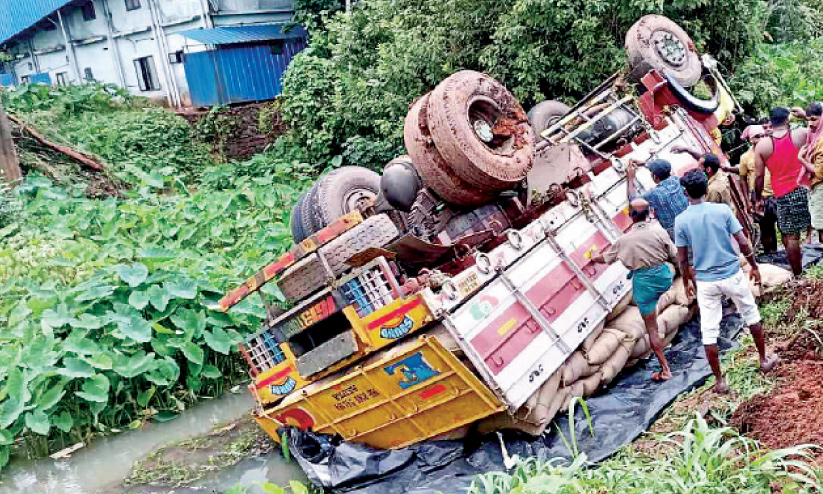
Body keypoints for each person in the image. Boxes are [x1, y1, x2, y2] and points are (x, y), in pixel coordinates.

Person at [675, 170, 777, 394]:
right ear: (706, 189)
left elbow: (682, 259)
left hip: (705, 281)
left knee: (709, 330)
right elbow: (743, 242)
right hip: (732, 274)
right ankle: (763, 359)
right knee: (751, 314)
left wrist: (686, 282)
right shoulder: (722, 211)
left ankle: (720, 382)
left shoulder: (681, 221)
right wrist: (754, 266)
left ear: (685, 193)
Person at [591, 198, 676, 381]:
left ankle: (665, 370)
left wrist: (594, 256)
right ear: (649, 213)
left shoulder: (624, 241)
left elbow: (605, 259)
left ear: (630, 215)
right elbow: (674, 254)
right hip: (664, 276)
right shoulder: (659, 231)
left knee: (651, 329)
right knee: (660, 304)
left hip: (644, 283)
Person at [754, 107, 811, 276]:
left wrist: (758, 198)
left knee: (791, 237)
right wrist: (805, 116)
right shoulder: (800, 134)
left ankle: (798, 275)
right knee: (819, 226)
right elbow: (819, 130)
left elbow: (759, 177)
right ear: (787, 119)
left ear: (770, 122)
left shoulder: (763, 146)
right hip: (806, 188)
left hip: (783, 194)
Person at [725, 125, 778, 253]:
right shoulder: (745, 157)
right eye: (757, 137)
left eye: (763, 136)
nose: (761, 139)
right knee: (766, 227)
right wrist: (747, 200)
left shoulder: (772, 151)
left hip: (777, 193)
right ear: (750, 140)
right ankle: (770, 253)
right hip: (760, 197)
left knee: (783, 226)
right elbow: (742, 178)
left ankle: (781, 252)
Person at [627, 158, 689, 240]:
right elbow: (662, 169)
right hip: (689, 220)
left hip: (676, 231)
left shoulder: (654, 194)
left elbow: (633, 200)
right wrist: (644, 164)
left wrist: (630, 178)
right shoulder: (676, 180)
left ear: (656, 178)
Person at [797, 102, 823, 244]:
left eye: (814, 119)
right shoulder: (817, 135)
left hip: (820, 185)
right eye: (808, 120)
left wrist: (802, 159)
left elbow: (820, 172)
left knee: (821, 227)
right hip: (817, 186)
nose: (810, 124)